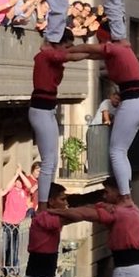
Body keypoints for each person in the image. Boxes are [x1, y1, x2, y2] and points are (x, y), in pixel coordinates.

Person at [28, 30, 99, 207]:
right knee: (48, 161)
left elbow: (70, 55)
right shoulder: (46, 55)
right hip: (41, 109)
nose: (70, 50)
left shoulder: (51, 56)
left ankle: (48, 198)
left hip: (48, 109)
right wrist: (98, 52)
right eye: (67, 46)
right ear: (58, 44)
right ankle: (43, 204)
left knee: (52, 161)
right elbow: (73, 56)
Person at [90, 30, 139, 201]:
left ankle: (125, 195)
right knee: (120, 152)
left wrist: (65, 53)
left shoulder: (114, 48)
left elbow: (88, 49)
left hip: (132, 102)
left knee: (117, 151)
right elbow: (91, 54)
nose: (99, 43)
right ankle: (126, 190)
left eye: (100, 39)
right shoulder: (122, 49)